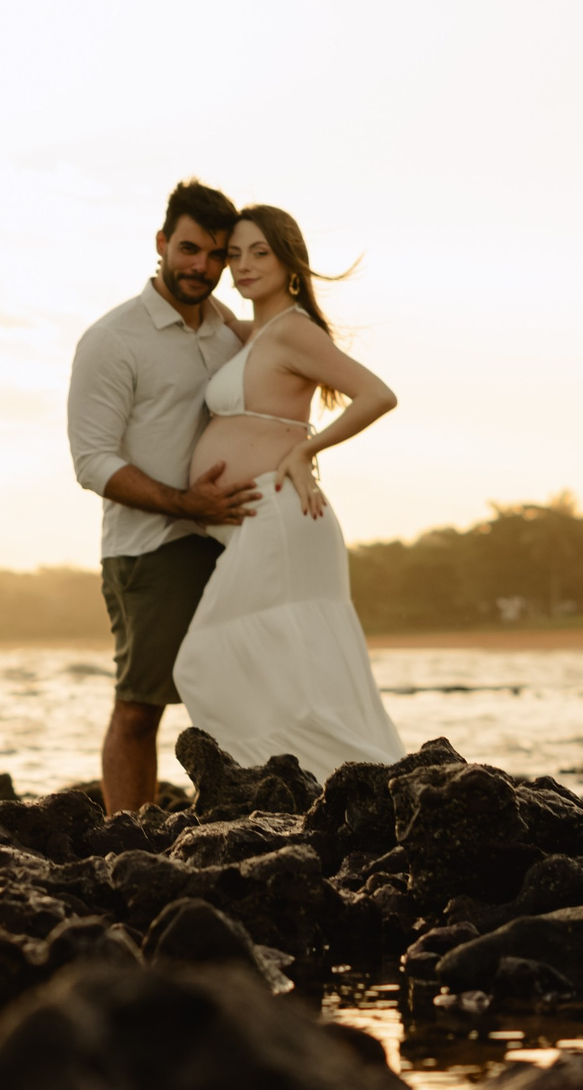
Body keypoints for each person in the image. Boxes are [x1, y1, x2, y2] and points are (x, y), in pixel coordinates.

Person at [171, 203, 405, 773]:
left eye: (260, 253)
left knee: (200, 662)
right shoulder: (261, 332)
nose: (244, 265)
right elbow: (219, 317)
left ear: (289, 261)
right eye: (235, 255)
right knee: (300, 671)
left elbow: (378, 394)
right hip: (265, 522)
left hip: (279, 516)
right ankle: (323, 786)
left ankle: (315, 776)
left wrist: (307, 448)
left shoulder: (294, 331)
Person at [66, 179, 263, 817]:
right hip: (150, 548)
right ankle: (129, 837)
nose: (199, 267)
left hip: (229, 540)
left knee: (234, 700)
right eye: (187, 249)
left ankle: (226, 826)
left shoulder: (229, 334)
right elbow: (92, 461)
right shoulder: (113, 339)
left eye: (213, 255)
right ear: (161, 243)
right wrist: (185, 504)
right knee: (140, 705)